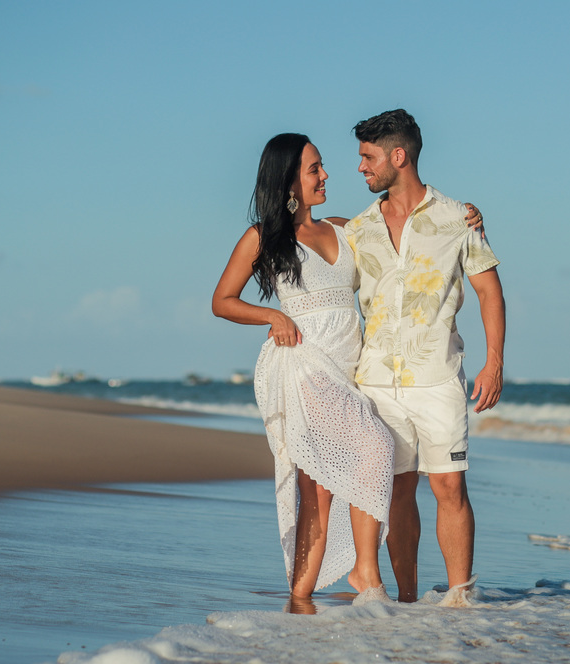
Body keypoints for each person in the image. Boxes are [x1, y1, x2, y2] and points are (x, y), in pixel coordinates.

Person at [211, 132, 484, 611]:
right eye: (315, 168)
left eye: (323, 166)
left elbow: (397, 232)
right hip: (306, 367)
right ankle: (367, 576)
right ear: (289, 180)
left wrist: (466, 219)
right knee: (371, 450)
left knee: (319, 489)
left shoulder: (345, 229)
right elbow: (222, 301)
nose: (326, 175)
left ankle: (300, 594)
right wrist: (273, 316)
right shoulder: (262, 237)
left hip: (349, 369)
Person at [345, 109, 506, 607]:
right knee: (394, 494)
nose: (361, 168)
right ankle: (409, 598)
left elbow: (489, 292)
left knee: (449, 487)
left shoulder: (459, 218)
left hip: (438, 377)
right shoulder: (357, 229)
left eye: (368, 158)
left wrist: (494, 362)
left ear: (399, 156)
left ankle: (460, 597)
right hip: (375, 381)